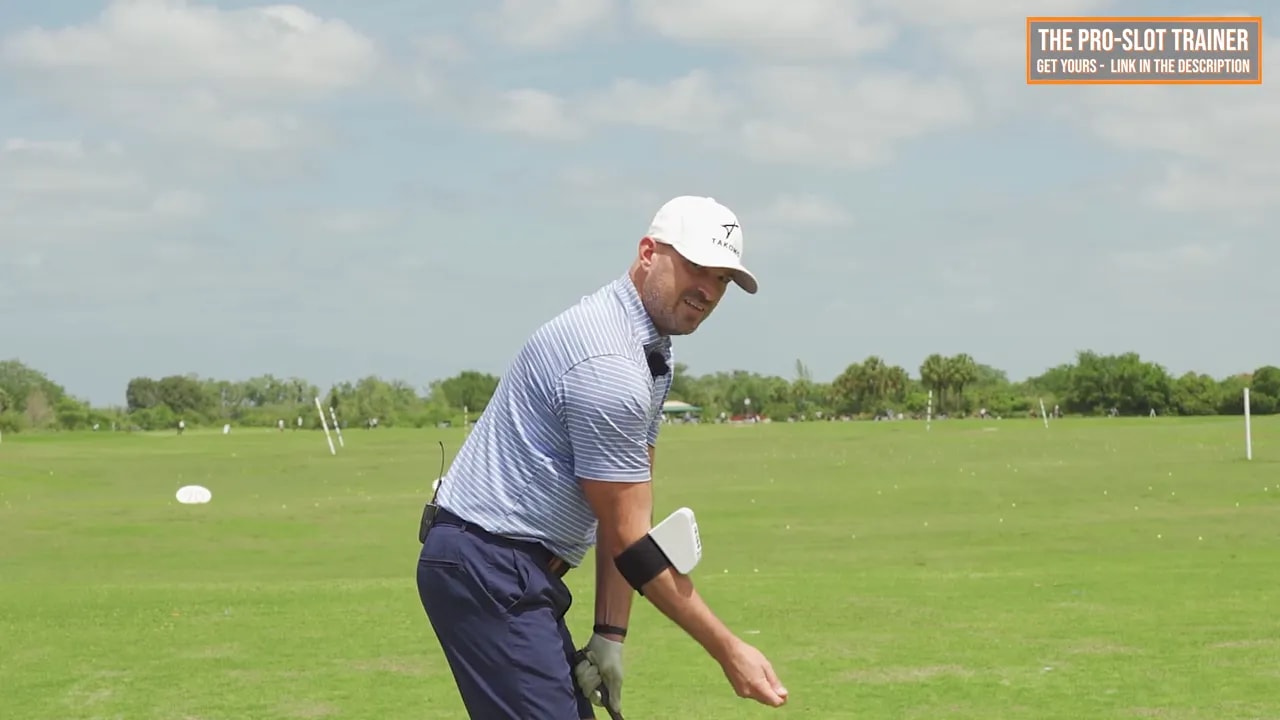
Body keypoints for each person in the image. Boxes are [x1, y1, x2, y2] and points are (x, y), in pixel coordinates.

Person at [415, 195, 788, 718]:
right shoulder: (609, 365)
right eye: (696, 267)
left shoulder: (650, 349)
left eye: (723, 279)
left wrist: (609, 635)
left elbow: (628, 519)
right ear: (647, 252)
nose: (707, 289)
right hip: (490, 566)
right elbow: (634, 541)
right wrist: (729, 651)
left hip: (507, 566)